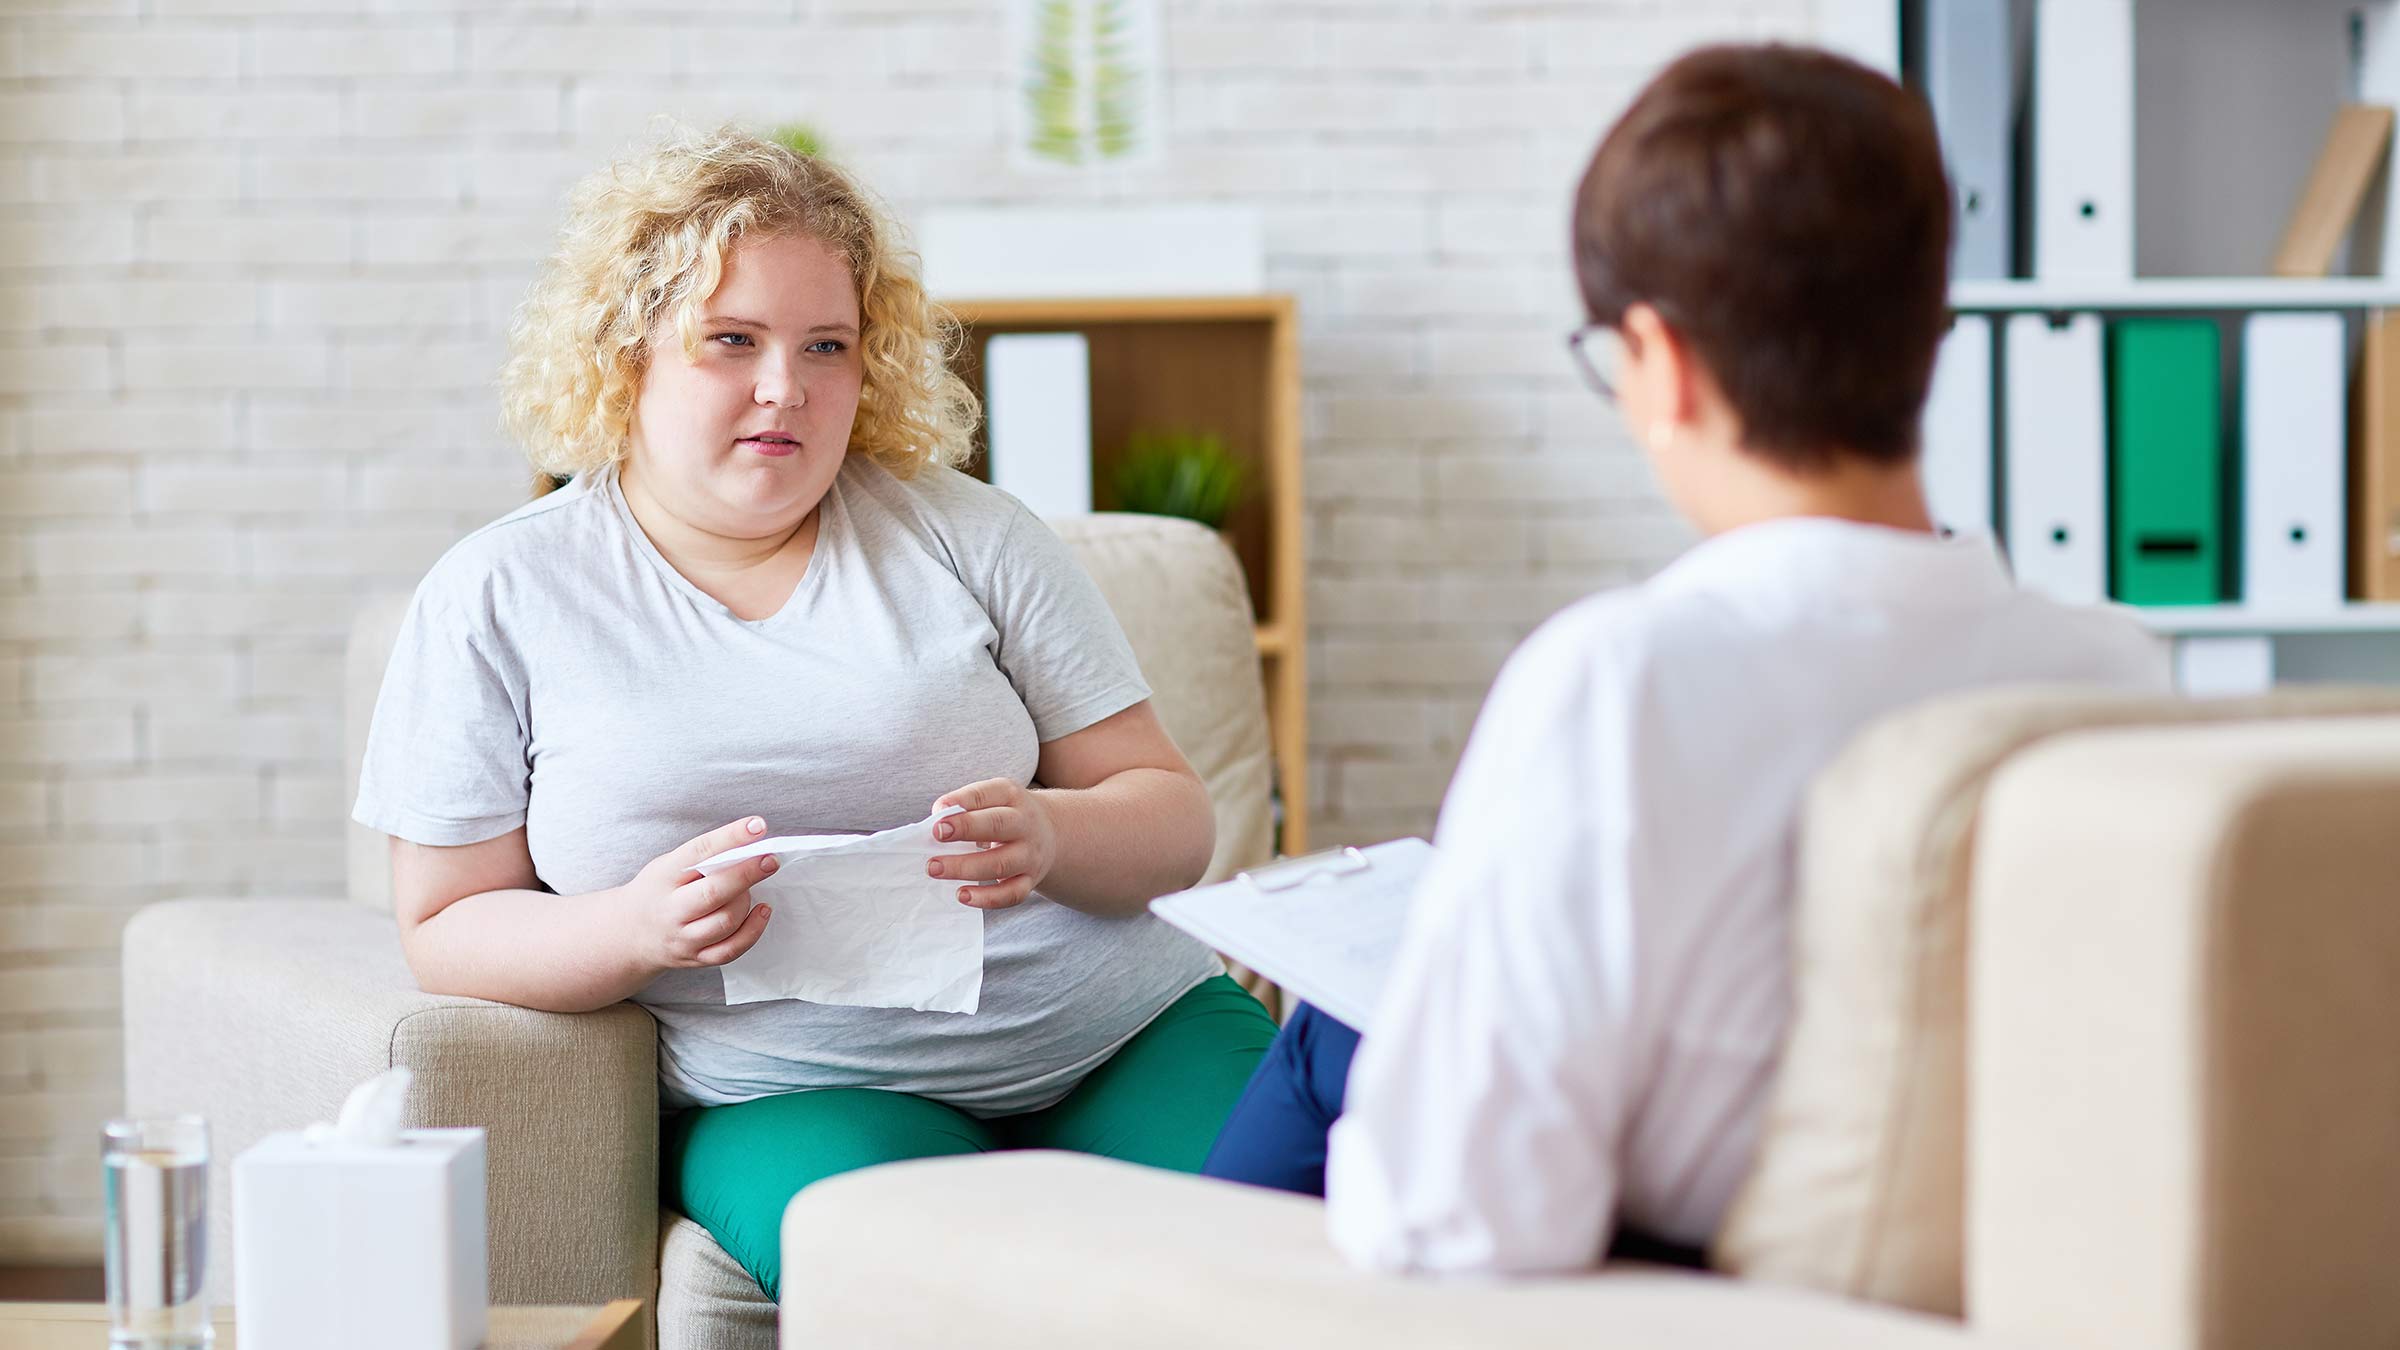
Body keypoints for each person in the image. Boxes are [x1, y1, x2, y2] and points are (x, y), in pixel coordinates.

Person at [1200, 44, 2172, 1275]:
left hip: (1689, 1274)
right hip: (1996, 1266)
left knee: (1335, 1031)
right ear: (1928, 327)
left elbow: (1464, 1217)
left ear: (1658, 361)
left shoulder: (1624, 679)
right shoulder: (2113, 670)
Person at [350, 125, 1278, 1301]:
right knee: (943, 1294)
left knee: (1314, 1258)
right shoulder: (501, 593)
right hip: (799, 1089)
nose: (784, 386)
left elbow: (1172, 817)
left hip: (1117, 1033)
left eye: (825, 345)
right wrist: (636, 928)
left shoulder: (969, 533)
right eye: (730, 341)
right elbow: (445, 923)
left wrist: (1053, 835)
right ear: (628, 351)